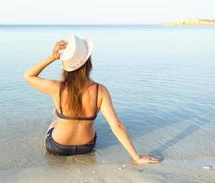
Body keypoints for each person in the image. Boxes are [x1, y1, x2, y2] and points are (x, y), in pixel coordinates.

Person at [23, 34, 160, 164]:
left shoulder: (57, 88)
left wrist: (52, 57)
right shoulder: (100, 91)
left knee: (56, 114)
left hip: (58, 148)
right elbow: (117, 126)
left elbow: (28, 75)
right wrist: (137, 157)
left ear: (67, 66)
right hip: (86, 147)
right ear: (88, 62)